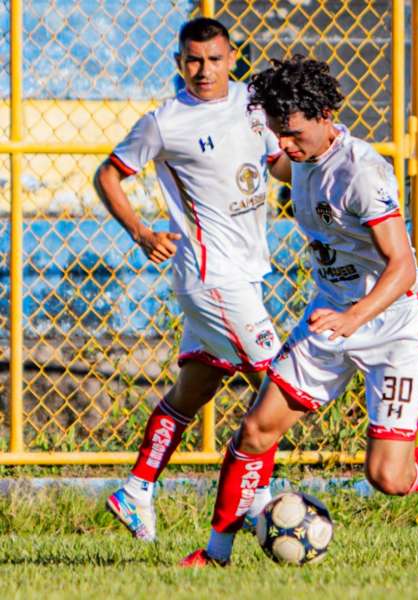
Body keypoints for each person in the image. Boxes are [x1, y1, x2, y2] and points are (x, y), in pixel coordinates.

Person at [180, 56, 418, 567]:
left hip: (391, 321)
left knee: (388, 477)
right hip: (332, 314)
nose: (286, 147)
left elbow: (403, 267)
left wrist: (355, 318)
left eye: (293, 134)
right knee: (256, 430)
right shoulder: (295, 154)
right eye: (279, 134)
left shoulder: (362, 173)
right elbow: (269, 161)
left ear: (325, 115)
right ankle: (216, 554)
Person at [94, 17, 286, 541]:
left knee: (193, 389)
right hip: (211, 278)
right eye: (193, 61)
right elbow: (106, 174)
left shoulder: (253, 103)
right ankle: (261, 502)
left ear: (231, 58)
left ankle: (135, 490)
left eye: (214, 59)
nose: (204, 71)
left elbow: (278, 165)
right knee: (279, 384)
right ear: (180, 63)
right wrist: (139, 230)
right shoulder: (165, 122)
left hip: (245, 275)